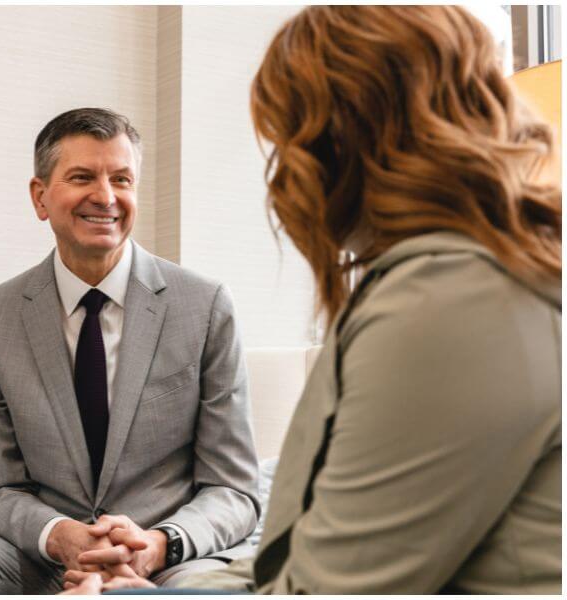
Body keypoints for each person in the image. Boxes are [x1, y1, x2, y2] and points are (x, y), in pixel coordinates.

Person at [65, 6, 561, 594]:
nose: (281, 180)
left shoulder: (452, 305)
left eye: (287, 138)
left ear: (347, 137)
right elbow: (291, 556)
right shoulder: (446, 285)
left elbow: (331, 586)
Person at [0, 108, 260, 593]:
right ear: (40, 197)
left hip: (169, 561)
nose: (106, 196)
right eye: (82, 177)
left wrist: (157, 544)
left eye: (122, 179)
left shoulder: (206, 305)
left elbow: (233, 489)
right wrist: (61, 537)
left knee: (214, 588)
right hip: (41, 560)